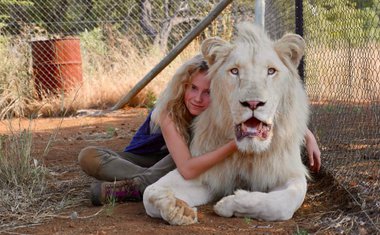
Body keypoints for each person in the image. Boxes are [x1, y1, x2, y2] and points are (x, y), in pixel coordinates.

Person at [78, 54, 321, 206]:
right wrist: (233, 143)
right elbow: (186, 167)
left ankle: (136, 184)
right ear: (183, 86)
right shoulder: (168, 112)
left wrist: (306, 134)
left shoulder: (219, 108)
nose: (197, 98)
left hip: (184, 158)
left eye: (207, 92)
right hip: (152, 157)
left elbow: (263, 114)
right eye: (193, 88)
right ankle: (140, 183)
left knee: (188, 154)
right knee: (88, 155)